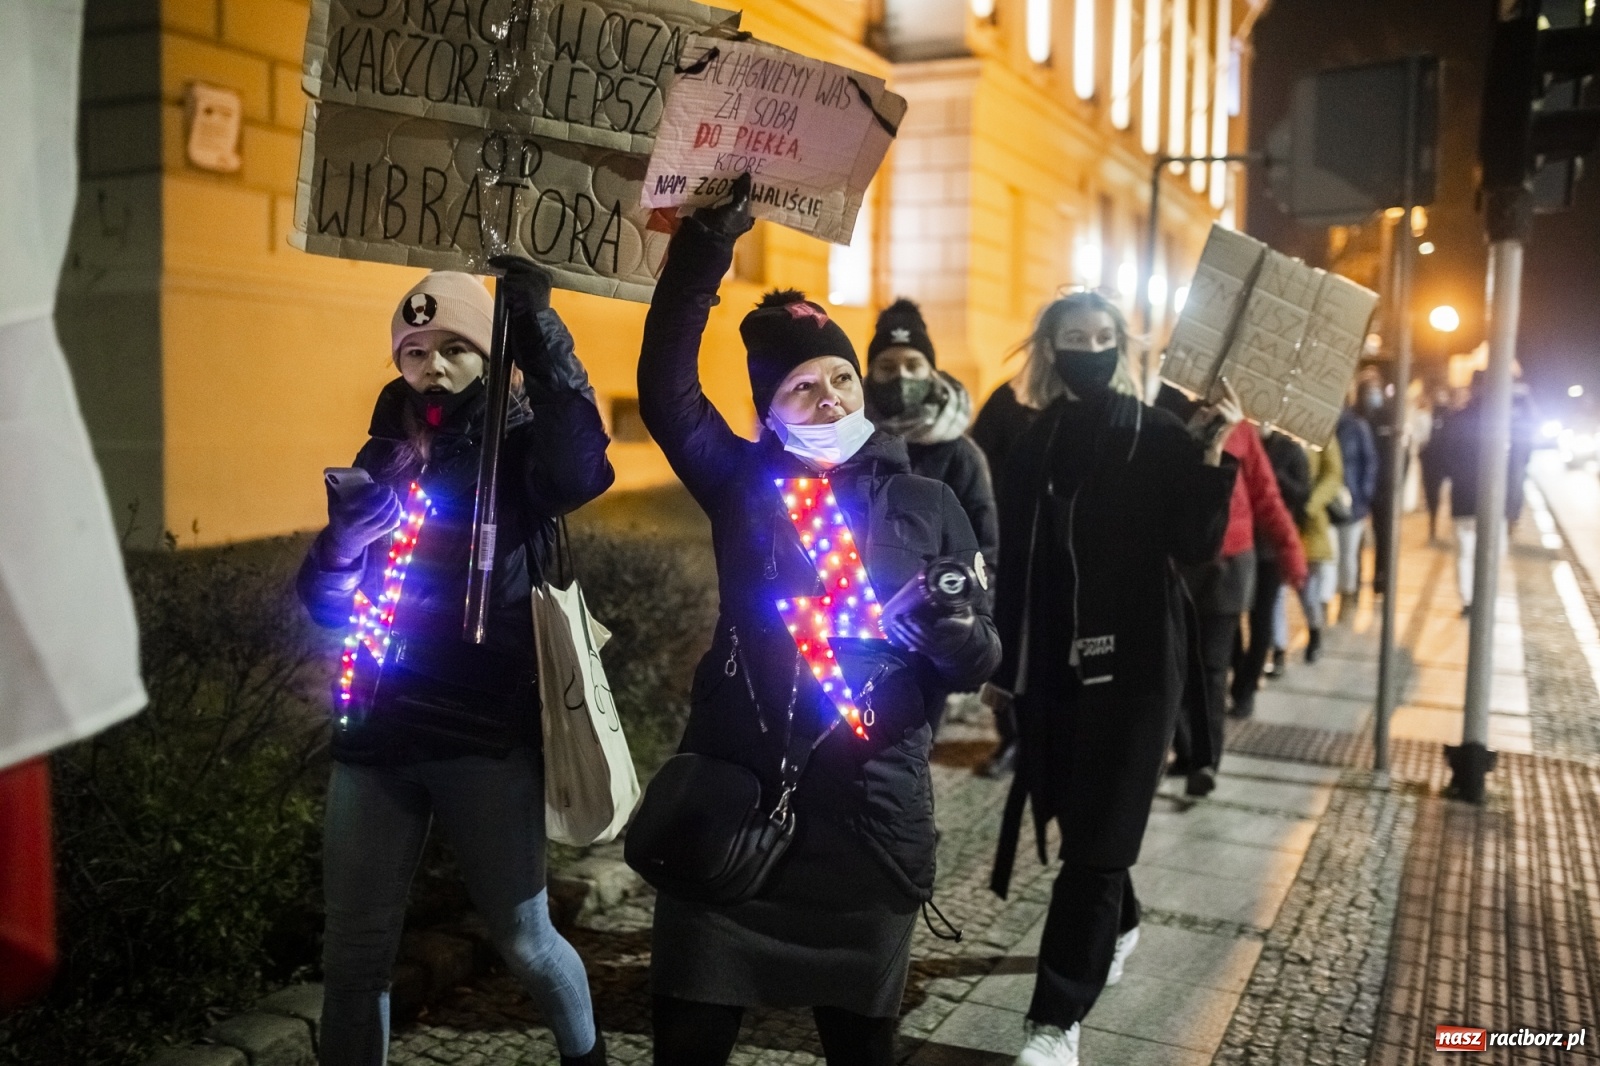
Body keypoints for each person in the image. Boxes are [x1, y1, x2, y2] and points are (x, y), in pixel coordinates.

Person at [635, 174, 1002, 1066]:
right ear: (769, 410)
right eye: (804, 388)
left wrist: (960, 643)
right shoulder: (742, 489)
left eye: (841, 377)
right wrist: (703, 250)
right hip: (740, 806)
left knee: (862, 1050)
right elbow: (666, 392)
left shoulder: (927, 499)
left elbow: (981, 646)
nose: (832, 396)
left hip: (868, 824)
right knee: (687, 1039)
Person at [297, 264, 614, 1066]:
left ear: (489, 356)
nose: (430, 366)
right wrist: (342, 545)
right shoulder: (381, 452)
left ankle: (588, 1057)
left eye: (454, 348)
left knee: (524, 939)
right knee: (353, 958)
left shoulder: (523, 450)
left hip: (483, 735)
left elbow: (583, 469)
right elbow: (329, 606)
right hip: (373, 734)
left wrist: (539, 327)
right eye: (413, 351)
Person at [986, 292, 1241, 1066]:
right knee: (1076, 819)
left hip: (1135, 673)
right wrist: (1002, 661)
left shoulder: (1159, 434)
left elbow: (1196, 546)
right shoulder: (1035, 439)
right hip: (1054, 673)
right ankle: (1121, 924)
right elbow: (1011, 557)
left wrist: (1211, 453)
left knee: (1095, 848)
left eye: (1103, 337)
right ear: (1049, 347)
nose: (1089, 348)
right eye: (1074, 336)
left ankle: (1054, 1021)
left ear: (1124, 347)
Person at [1155, 390, 1305, 785]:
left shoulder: (1243, 431)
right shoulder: (1169, 423)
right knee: (1179, 666)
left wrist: (1291, 551)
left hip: (1229, 564)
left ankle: (1205, 761)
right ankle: (1187, 753)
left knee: (1213, 667)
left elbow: (1266, 495)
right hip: (1180, 563)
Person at [969, 376, 1039, 776]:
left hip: (1056, 553)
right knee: (1007, 641)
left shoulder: (1083, 402)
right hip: (1009, 542)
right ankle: (1011, 736)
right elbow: (983, 460)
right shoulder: (1008, 398)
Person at [1437, 370, 1538, 611]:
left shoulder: (1457, 418)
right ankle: (1482, 600)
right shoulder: (1506, 421)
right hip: (1495, 501)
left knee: (1464, 554)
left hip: (1465, 499)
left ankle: (1468, 600)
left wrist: (1460, 477)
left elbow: (1443, 456)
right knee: (1491, 554)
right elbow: (1519, 463)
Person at [1234, 428, 1311, 697]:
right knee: (1231, 619)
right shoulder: (1238, 436)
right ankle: (1242, 672)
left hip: (1268, 550)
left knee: (1261, 618)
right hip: (1240, 547)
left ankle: (1246, 687)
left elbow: (1301, 494)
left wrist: (1275, 476)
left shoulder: (1290, 449)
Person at [1296, 435, 1345, 662]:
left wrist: (1311, 505)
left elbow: (1332, 474)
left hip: (1310, 521)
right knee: (1272, 595)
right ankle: (1277, 650)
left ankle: (1315, 630)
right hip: (1277, 517)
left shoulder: (1320, 430)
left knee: (1307, 586)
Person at [1331, 402, 1379, 622]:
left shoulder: (1357, 426)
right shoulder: (1323, 425)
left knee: (1348, 555)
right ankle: (1326, 599)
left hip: (1353, 503)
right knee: (1330, 556)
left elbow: (1369, 462)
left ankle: (1347, 598)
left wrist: (1363, 495)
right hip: (1328, 503)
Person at [1417, 387, 1454, 541]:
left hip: (1441, 463)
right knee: (1433, 497)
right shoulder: (1426, 418)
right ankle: (1433, 527)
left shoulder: (1451, 419)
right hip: (1433, 462)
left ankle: (1437, 527)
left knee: (1439, 497)